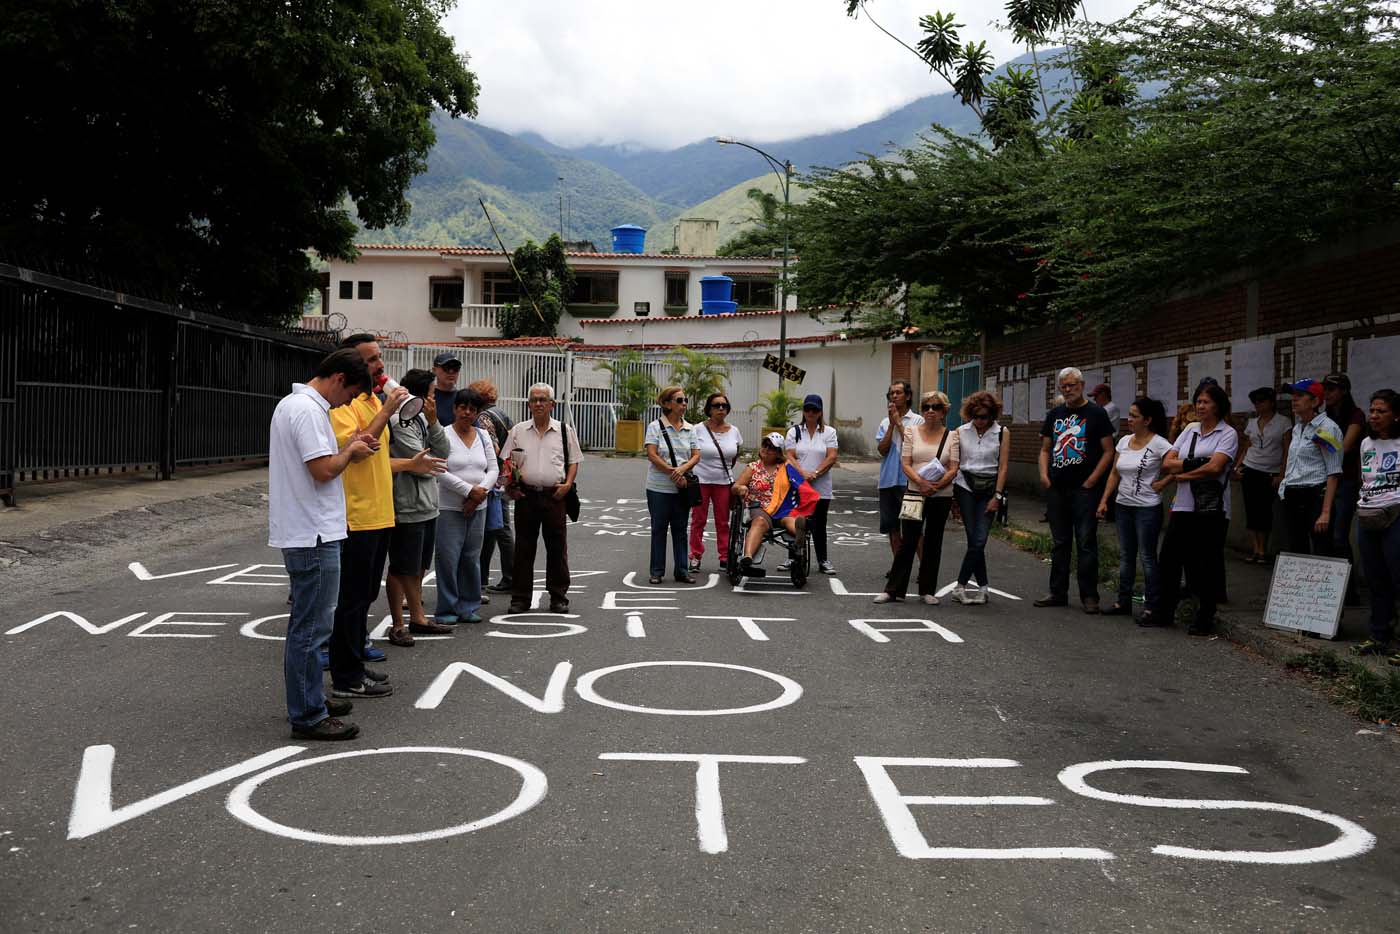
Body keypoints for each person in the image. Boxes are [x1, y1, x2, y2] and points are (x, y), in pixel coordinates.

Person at [268, 348, 374, 740]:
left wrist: (347, 447)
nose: (345, 403)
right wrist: (352, 450)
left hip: (309, 529)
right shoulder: (309, 410)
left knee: (310, 625)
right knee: (312, 629)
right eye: (348, 395)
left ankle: (309, 697)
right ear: (339, 380)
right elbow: (324, 469)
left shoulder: (296, 405)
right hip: (313, 533)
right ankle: (308, 713)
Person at [327, 333, 423, 700]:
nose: (380, 366)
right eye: (371, 360)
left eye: (379, 358)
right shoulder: (344, 405)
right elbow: (360, 447)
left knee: (365, 595)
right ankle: (346, 676)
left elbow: (383, 454)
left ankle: (352, 663)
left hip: (381, 514)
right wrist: (386, 410)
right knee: (351, 599)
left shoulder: (371, 399)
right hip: (357, 515)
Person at [1154, 383, 1238, 635]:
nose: (1200, 407)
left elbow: (1216, 468)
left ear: (1218, 406)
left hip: (1211, 509)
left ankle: (1205, 616)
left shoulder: (1228, 433)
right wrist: (1196, 463)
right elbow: (1168, 463)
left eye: (1206, 402)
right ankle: (1165, 611)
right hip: (1183, 505)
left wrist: (1187, 473)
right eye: (1198, 402)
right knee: (1169, 559)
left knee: (1206, 563)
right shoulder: (1190, 430)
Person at [1035, 367, 1115, 612]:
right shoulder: (1055, 414)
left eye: (1072, 385)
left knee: (1086, 542)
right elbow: (1046, 448)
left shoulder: (1096, 413)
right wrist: (1044, 475)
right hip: (1057, 487)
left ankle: (1089, 596)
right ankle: (1057, 592)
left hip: (1084, 490)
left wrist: (1092, 481)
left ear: (1081, 385)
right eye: (1063, 386)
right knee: (1060, 542)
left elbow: (1109, 451)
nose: (1067, 390)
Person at [500, 382, 582, 614]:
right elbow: (506, 461)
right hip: (526, 495)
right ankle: (520, 598)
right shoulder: (518, 431)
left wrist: (567, 484)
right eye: (534, 400)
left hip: (555, 496)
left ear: (552, 404)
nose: (538, 404)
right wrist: (510, 486)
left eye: (543, 400)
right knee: (523, 548)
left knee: (557, 548)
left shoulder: (565, 430)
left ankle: (558, 597)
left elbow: (574, 460)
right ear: (528, 404)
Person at [384, 368, 451, 647]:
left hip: (427, 504)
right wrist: (429, 464)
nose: (435, 398)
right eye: (432, 394)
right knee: (401, 567)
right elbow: (422, 465)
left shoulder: (423, 417)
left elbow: (444, 452)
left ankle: (418, 617)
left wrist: (434, 422)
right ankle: (398, 624)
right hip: (407, 504)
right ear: (420, 394)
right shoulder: (400, 420)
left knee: (419, 566)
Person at [875, 391, 960, 605]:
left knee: (933, 541)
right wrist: (921, 483)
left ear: (944, 411)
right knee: (908, 540)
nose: (930, 411)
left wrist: (939, 485)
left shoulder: (952, 435)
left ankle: (927, 590)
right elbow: (906, 463)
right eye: (926, 407)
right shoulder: (912, 431)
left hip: (941, 495)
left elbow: (954, 467)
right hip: (914, 492)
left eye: (936, 407)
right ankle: (893, 590)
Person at [1096, 398, 1172, 620]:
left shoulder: (1160, 444)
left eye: (1134, 416)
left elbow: (1176, 466)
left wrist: (1163, 483)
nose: (1129, 419)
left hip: (1147, 508)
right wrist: (1104, 500)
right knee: (1126, 556)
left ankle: (1152, 606)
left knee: (1147, 557)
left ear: (1147, 420)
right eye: (1129, 415)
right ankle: (1123, 601)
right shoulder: (1124, 441)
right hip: (1123, 505)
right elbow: (1114, 473)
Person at [434, 387, 499, 627]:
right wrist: (467, 491)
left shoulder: (483, 436)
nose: (467, 412)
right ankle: (447, 607)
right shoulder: (443, 435)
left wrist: (479, 494)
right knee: (448, 558)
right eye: (463, 407)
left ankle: (468, 605)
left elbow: (493, 469)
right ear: (454, 409)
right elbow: (438, 469)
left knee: (471, 557)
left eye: (473, 409)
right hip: (450, 506)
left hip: (478, 506)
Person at [1353, 389, 1400, 664]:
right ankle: (1379, 635)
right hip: (1368, 514)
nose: (1373, 416)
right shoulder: (1366, 444)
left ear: (1396, 416)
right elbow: (1365, 478)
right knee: (1375, 578)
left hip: (1396, 513)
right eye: (1371, 411)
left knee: (1398, 577)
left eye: (1380, 411)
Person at [950, 391, 1008, 605]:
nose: (980, 421)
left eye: (984, 417)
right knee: (973, 538)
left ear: (992, 415)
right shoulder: (960, 432)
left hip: (990, 488)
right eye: (976, 416)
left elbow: (1003, 467)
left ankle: (960, 585)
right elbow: (955, 463)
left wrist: (998, 496)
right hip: (965, 486)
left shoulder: (1002, 432)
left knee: (980, 539)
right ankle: (983, 587)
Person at [1277, 378, 1343, 556]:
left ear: (1315, 401)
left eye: (1299, 395)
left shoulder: (1327, 428)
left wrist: (1325, 512)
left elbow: (1334, 472)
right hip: (1293, 494)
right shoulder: (1298, 428)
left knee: (1322, 550)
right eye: (1293, 396)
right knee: (1296, 549)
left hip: (1315, 494)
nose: (1294, 400)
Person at [644, 385, 701, 584]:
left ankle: (682, 570)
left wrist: (682, 470)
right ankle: (657, 571)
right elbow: (652, 454)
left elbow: (696, 455)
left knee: (680, 529)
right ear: (667, 404)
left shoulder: (690, 428)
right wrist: (672, 471)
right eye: (679, 400)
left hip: (682, 486)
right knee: (658, 529)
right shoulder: (655, 427)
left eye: (685, 400)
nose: (684, 404)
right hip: (658, 487)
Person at [1233, 387, 1291, 563]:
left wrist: (1282, 474)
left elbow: (1287, 449)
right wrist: (1237, 467)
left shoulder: (1284, 422)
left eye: (1262, 401)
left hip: (1270, 470)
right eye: (1255, 402)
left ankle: (1263, 550)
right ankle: (1255, 549)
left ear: (1271, 402)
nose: (1258, 405)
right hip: (1251, 468)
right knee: (1251, 510)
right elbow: (1246, 447)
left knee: (1264, 511)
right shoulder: (1252, 422)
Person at [733, 433, 809, 566]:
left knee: (792, 521)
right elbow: (735, 487)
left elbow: (801, 484)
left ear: (778, 453)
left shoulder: (786, 468)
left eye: (771, 447)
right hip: (760, 508)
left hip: (782, 508)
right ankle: (748, 557)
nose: (766, 449)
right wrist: (741, 488)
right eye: (765, 445)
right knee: (760, 522)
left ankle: (799, 540)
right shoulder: (753, 467)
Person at [689, 391, 744, 573]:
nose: (721, 409)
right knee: (698, 520)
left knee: (723, 522)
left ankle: (725, 557)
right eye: (716, 405)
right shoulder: (697, 429)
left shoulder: (734, 431)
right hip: (701, 481)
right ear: (709, 409)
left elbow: (734, 456)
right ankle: (695, 556)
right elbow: (692, 453)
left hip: (723, 482)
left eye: (724, 406)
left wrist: (725, 469)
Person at [1324, 373, 1367, 605]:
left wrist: (1320, 441)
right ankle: (1334, 590)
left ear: (1344, 391)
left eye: (1332, 389)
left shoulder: (1356, 414)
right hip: (1326, 479)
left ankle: (1349, 592)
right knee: (1327, 538)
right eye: (1325, 389)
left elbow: (1344, 447)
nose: (1327, 393)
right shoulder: (1325, 416)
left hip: (1347, 481)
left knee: (1340, 536)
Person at [471, 379, 516, 598]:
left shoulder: (483, 418)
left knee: (495, 529)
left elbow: (493, 446)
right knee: (500, 528)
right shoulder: (502, 413)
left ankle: (506, 577)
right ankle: (507, 576)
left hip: (494, 479)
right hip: (504, 475)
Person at [786, 394, 839, 574]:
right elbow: (790, 456)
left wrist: (815, 473)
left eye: (814, 409)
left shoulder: (829, 432)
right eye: (807, 409)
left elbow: (832, 456)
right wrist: (803, 474)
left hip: (821, 486)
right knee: (796, 521)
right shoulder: (794, 431)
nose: (810, 412)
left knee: (819, 523)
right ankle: (792, 558)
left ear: (820, 412)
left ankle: (822, 560)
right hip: (798, 485)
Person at [875, 381, 923, 556]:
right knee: (892, 527)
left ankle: (923, 567)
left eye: (898, 393)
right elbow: (882, 450)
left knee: (913, 526)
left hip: (909, 482)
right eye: (891, 393)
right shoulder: (884, 422)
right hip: (888, 481)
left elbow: (915, 447)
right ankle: (898, 568)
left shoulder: (917, 420)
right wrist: (891, 425)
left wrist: (899, 423)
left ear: (908, 396)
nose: (894, 396)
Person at [432, 352, 462, 427]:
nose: (451, 372)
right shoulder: (428, 397)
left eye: (456, 368)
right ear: (434, 370)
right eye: (446, 368)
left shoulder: (462, 398)